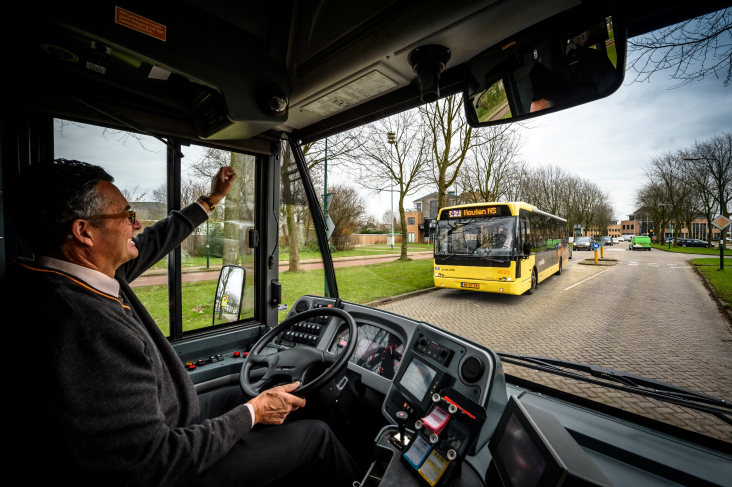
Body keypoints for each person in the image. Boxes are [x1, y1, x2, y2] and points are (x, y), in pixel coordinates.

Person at [1, 159, 361, 487]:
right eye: (126, 215)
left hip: (171, 421)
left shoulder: (70, 277)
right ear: (84, 232)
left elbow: (154, 241)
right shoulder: (85, 330)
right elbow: (152, 463)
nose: (136, 224)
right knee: (316, 437)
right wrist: (252, 413)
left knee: (275, 390)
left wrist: (210, 200)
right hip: (176, 467)